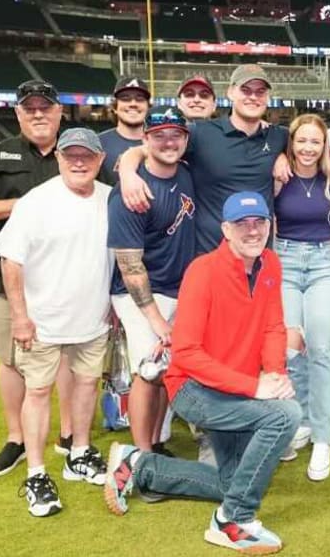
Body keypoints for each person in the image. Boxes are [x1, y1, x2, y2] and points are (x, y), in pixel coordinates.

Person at [106, 192, 301, 555]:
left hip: (235, 387)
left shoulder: (271, 264)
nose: (252, 230)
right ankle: (233, 520)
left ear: (269, 225)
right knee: (285, 417)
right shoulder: (203, 271)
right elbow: (187, 353)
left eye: (259, 222)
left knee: (233, 480)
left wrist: (274, 375)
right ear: (226, 229)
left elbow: (274, 326)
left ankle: (139, 465)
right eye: (242, 224)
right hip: (194, 389)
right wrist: (254, 387)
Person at [0, 80, 78, 478]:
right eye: (30, 108)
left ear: (60, 112)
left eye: (46, 107)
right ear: (18, 113)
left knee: (69, 358)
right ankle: (17, 439)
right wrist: (22, 205)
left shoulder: (79, 152)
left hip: (67, 277)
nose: (39, 114)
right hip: (8, 278)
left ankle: (71, 434)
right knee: (11, 360)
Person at [0, 128, 112, 517]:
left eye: (87, 155)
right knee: (38, 392)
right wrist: (21, 317)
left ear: (100, 160)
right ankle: (37, 473)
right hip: (43, 321)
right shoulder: (36, 201)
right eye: (71, 155)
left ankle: (79, 452)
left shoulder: (110, 200)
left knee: (87, 384)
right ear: (58, 157)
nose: (79, 162)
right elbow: (11, 260)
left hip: (92, 318)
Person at [118, 64, 289, 255]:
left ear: (268, 97)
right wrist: (127, 174)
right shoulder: (201, 133)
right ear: (230, 92)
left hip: (258, 255)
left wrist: (282, 155)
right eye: (245, 90)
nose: (253, 97)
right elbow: (146, 149)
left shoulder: (278, 137)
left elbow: (311, 147)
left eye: (260, 92)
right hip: (210, 255)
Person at [108, 108, 197, 458]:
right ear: (145, 140)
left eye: (175, 134)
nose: (168, 142)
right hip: (142, 295)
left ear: (186, 140)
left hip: (178, 289)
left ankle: (157, 442)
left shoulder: (186, 174)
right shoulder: (131, 194)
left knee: (167, 368)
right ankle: (141, 455)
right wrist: (156, 319)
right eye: (159, 135)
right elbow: (130, 267)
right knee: (149, 368)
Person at [273, 114, 330, 480]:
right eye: (302, 141)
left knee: (323, 350)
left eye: (316, 141)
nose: (308, 148)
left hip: (323, 263)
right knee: (288, 349)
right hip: (284, 260)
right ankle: (297, 419)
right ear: (291, 143)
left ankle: (323, 437)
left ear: (324, 145)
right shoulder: (278, 175)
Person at [99, 77, 152, 185]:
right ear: (115, 107)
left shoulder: (161, 143)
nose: (133, 103)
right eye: (125, 98)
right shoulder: (98, 143)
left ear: (148, 107)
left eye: (140, 98)